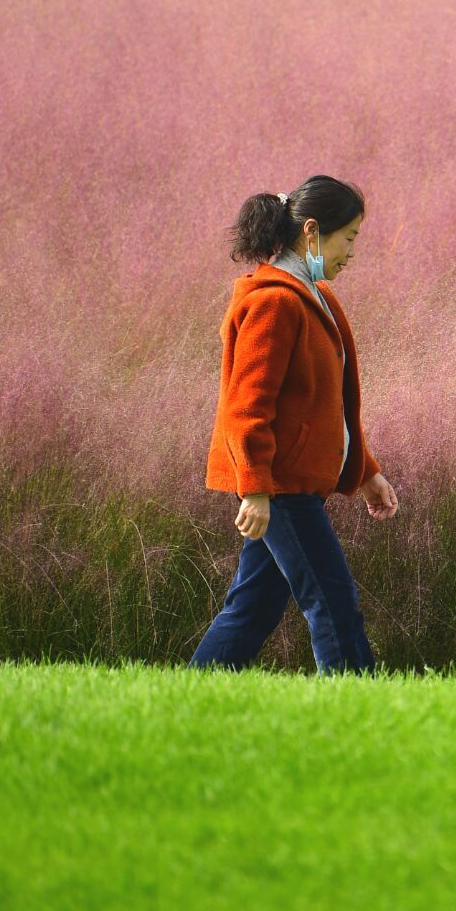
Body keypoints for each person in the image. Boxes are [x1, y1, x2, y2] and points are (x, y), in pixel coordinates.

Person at [190, 175, 399, 674]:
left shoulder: (314, 295)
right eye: (348, 237)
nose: (352, 252)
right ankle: (357, 702)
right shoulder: (275, 302)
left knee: (254, 608)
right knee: (332, 600)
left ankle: (191, 692)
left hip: (290, 484)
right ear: (311, 231)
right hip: (280, 486)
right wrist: (255, 489)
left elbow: (325, 405)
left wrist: (365, 471)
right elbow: (246, 407)